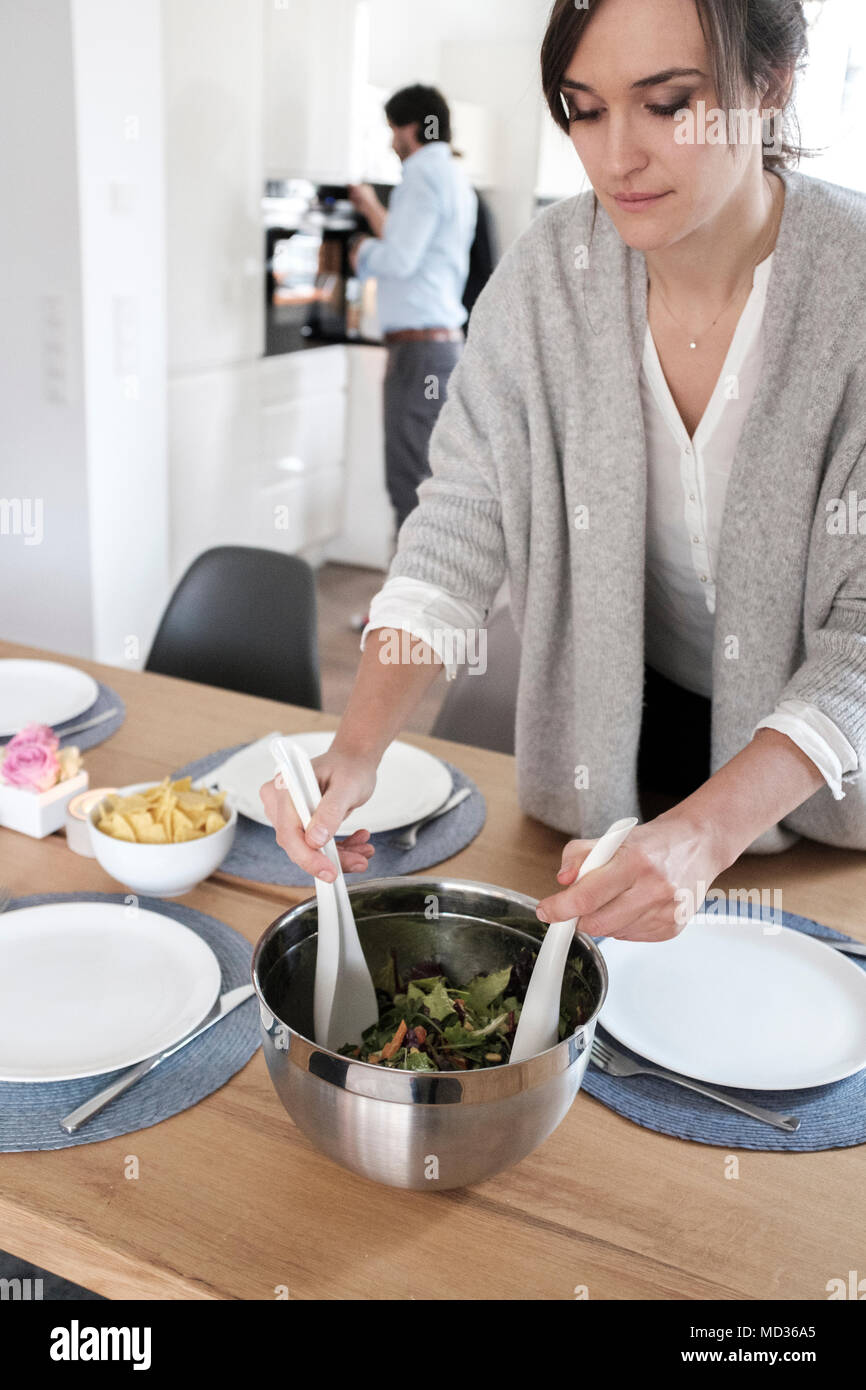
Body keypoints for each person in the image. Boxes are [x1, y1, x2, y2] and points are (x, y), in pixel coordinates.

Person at [262, 0, 866, 944]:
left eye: (667, 103)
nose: (614, 156)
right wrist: (357, 747)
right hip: (620, 750)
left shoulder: (853, 290)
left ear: (772, 84)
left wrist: (706, 835)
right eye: (583, 109)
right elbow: (462, 513)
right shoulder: (551, 275)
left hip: (821, 784)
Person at [348, 84, 478, 535]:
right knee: (427, 477)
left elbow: (399, 259)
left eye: (392, 130)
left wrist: (362, 252)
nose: (390, 143)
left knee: (409, 481)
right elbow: (413, 248)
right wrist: (369, 207)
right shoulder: (454, 177)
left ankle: (405, 603)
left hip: (419, 353)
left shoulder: (420, 175)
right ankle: (411, 597)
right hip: (441, 350)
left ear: (410, 128)